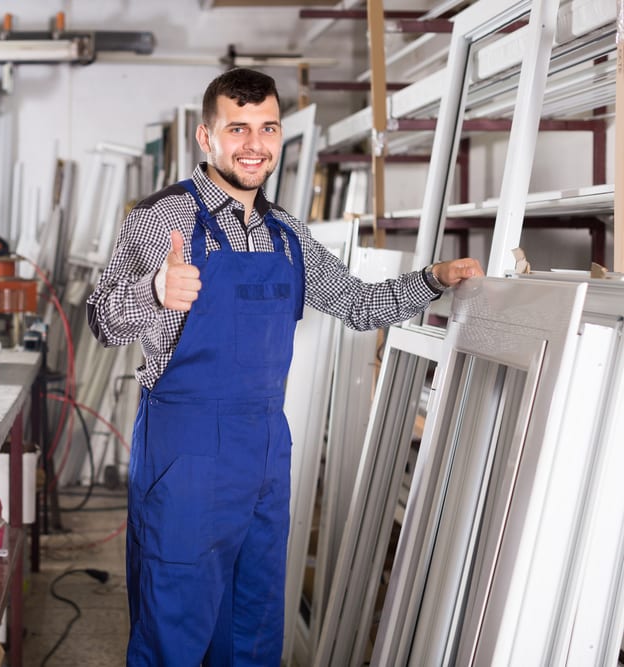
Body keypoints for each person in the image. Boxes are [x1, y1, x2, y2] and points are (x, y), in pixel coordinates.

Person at [86, 68, 484, 666]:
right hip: (186, 453)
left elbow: (359, 304)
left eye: (267, 128)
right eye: (237, 128)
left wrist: (433, 279)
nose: (254, 143)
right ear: (206, 137)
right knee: (174, 630)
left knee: (251, 628)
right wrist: (153, 292)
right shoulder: (161, 219)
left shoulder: (288, 236)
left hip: (267, 455)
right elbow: (99, 319)